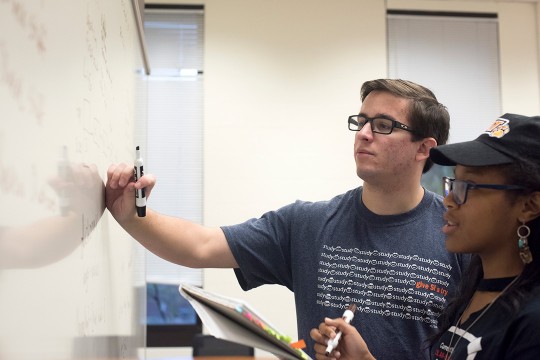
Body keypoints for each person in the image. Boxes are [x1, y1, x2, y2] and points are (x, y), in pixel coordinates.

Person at [105, 79, 468, 359]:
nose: (364, 134)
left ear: (425, 148)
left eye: (384, 125)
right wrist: (133, 216)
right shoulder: (307, 224)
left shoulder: (460, 233)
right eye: (361, 121)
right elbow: (201, 245)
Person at [311, 113, 540, 360]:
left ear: (529, 206)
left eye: (468, 187)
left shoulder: (531, 324)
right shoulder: (472, 292)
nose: (450, 200)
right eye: (453, 183)